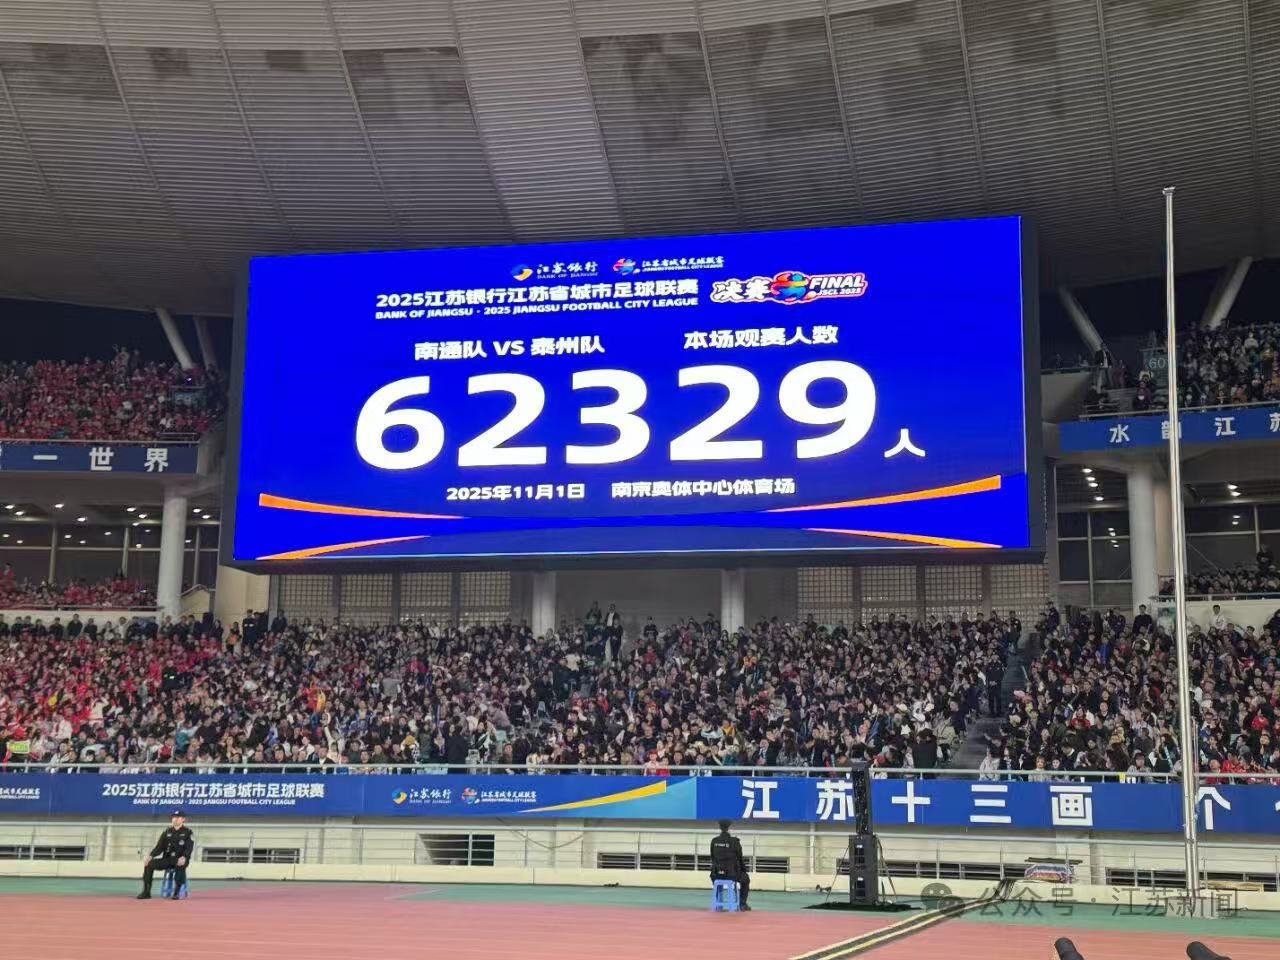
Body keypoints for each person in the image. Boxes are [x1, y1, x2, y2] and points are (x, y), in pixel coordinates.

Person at [137, 810, 194, 900]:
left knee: (180, 865)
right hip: (168, 859)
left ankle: (176, 892)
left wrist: (184, 857)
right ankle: (146, 892)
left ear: (183, 819)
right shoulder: (167, 832)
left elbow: (189, 848)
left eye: (178, 817)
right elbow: (159, 847)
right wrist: (151, 856)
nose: (175, 819)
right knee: (149, 864)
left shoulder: (188, 832)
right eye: (174, 817)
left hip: (180, 859)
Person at [709, 819, 750, 911]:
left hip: (716, 874)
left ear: (720, 827)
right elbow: (740, 858)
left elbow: (712, 857)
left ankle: (718, 903)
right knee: (746, 879)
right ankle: (742, 904)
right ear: (729, 828)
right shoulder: (734, 841)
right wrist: (744, 870)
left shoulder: (714, 841)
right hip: (731, 874)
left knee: (715, 878)